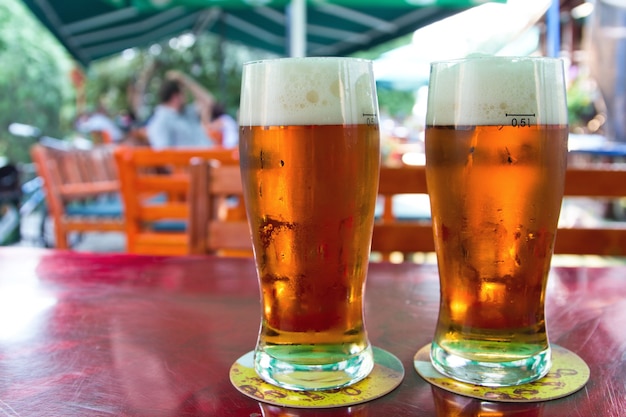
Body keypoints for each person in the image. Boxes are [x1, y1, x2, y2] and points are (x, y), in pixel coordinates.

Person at [146, 71, 215, 149]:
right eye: (184, 92)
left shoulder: (187, 112)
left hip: (210, 156)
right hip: (190, 160)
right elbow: (164, 154)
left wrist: (184, 80)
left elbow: (209, 102)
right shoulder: (160, 121)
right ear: (175, 97)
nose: (187, 95)